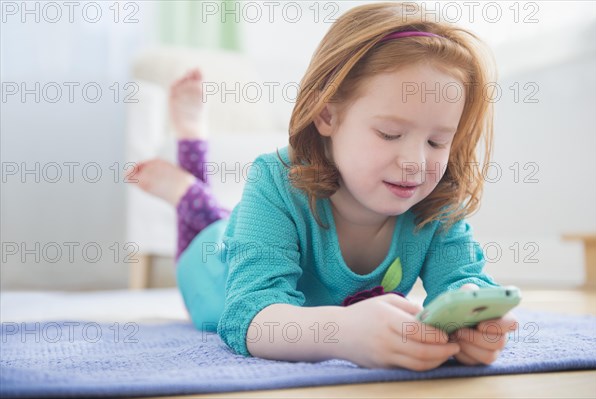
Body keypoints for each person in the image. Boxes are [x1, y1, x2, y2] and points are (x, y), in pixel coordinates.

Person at [126, 2, 518, 370]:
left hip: (252, 231)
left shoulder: (436, 201)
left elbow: (463, 280)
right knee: (203, 218)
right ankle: (188, 170)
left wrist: (474, 319)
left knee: (228, 219)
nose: (416, 162)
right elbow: (247, 315)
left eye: (437, 142)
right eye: (389, 133)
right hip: (211, 261)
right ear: (326, 115)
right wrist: (342, 331)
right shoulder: (273, 179)